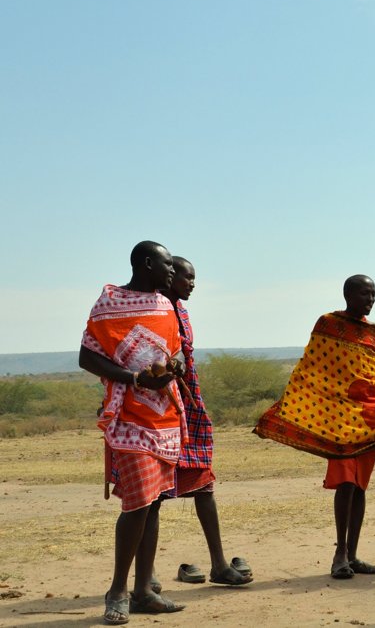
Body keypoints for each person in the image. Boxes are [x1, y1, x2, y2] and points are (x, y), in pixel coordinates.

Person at [256, 275, 375, 579]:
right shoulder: (328, 324)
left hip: (366, 422)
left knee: (360, 487)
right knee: (345, 485)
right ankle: (340, 555)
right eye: (364, 293)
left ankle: (354, 555)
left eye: (374, 294)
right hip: (337, 422)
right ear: (348, 295)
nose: (370, 299)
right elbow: (312, 370)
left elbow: (372, 381)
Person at [79, 241, 187, 624]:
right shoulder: (109, 304)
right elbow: (87, 356)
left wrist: (170, 370)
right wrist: (136, 378)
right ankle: (117, 590)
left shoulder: (164, 305)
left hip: (165, 416)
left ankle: (143, 590)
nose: (172, 271)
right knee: (138, 502)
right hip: (128, 416)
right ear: (146, 264)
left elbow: (170, 352)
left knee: (154, 501)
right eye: (167, 264)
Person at [159, 256, 252, 587]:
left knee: (204, 484)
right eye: (187, 277)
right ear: (168, 277)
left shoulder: (181, 311)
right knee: (150, 496)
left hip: (188, 402)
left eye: (194, 278)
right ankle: (145, 577)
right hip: (159, 407)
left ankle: (218, 564)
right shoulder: (152, 309)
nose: (192, 283)